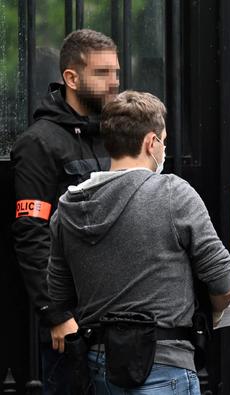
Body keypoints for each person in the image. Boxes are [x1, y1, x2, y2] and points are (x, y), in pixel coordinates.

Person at [47, 90, 230, 393]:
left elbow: (58, 296)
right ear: (151, 142)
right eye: (163, 142)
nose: (163, 149)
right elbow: (223, 284)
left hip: (98, 369)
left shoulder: (67, 208)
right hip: (165, 366)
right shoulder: (173, 193)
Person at [11, 29, 119, 394]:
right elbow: (32, 232)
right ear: (71, 78)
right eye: (102, 74)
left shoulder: (115, 134)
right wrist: (55, 315)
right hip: (71, 325)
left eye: (116, 73)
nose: (114, 83)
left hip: (121, 317)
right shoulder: (39, 143)